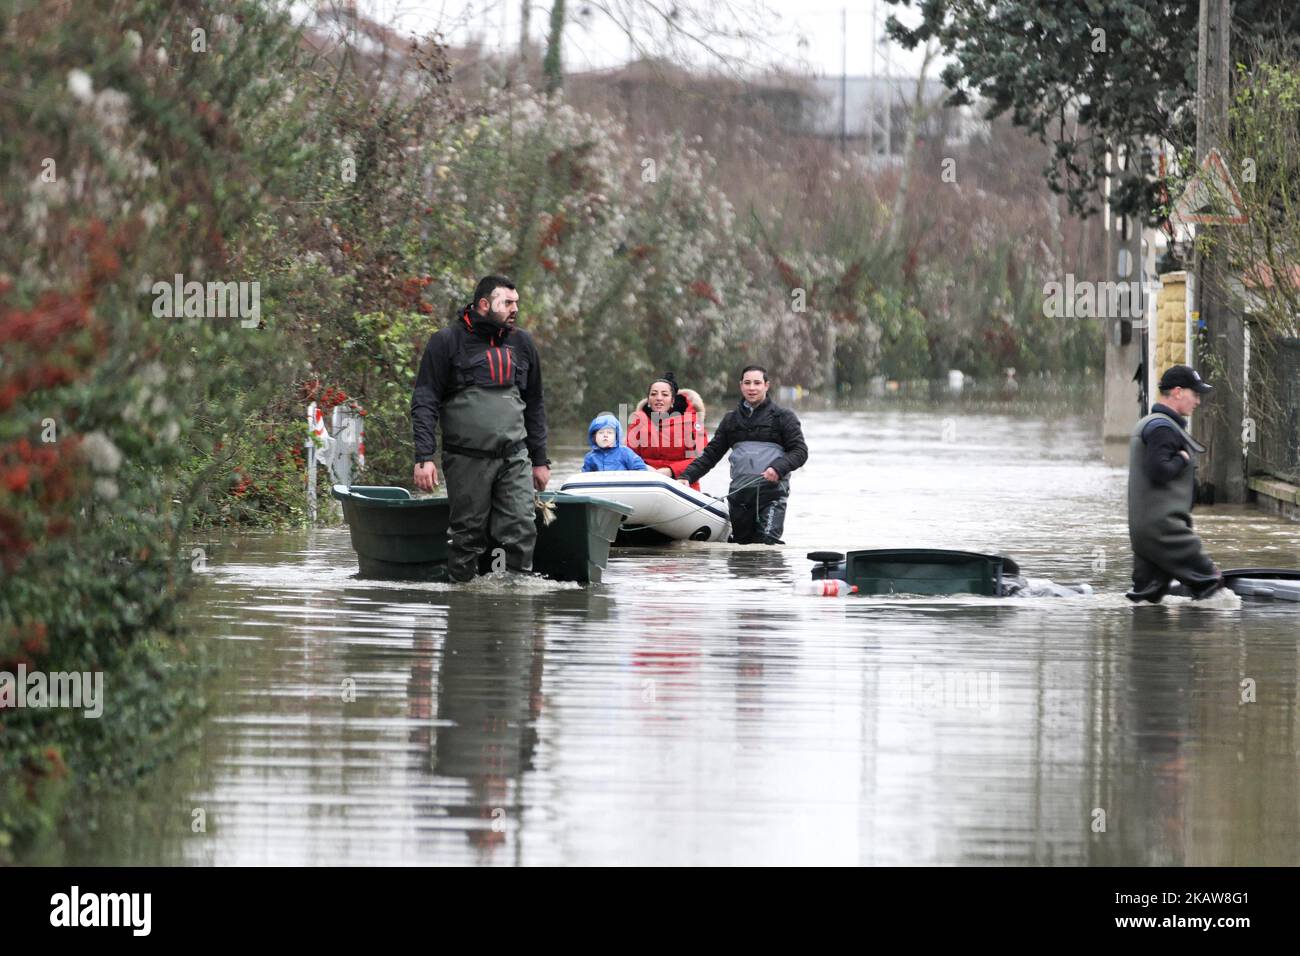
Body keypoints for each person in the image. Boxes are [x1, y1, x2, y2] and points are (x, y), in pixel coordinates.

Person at [411, 275, 550, 582]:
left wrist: (540, 461)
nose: (515, 309)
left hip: (514, 457)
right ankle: (462, 598)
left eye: (517, 303)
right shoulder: (446, 341)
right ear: (484, 304)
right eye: (508, 303)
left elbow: (535, 403)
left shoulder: (522, 343)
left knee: (522, 527)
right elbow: (424, 400)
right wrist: (424, 456)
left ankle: (516, 596)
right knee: (468, 534)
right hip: (466, 459)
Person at [678, 365, 808, 545]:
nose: (752, 388)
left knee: (766, 543)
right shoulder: (730, 420)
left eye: (757, 383)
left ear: (766, 386)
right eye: (747, 383)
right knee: (741, 547)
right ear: (741, 386)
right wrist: (687, 476)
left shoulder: (784, 417)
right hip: (740, 496)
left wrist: (777, 468)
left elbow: (800, 451)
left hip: (772, 494)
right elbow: (711, 455)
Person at [1126, 364, 1224, 603]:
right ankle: (1199, 639)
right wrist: (1182, 459)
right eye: (1195, 394)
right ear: (1178, 392)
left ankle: (1153, 641)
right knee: (1213, 588)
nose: (1198, 401)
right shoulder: (1162, 428)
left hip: (1145, 534)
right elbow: (1159, 470)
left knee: (1146, 601)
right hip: (1167, 533)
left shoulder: (1151, 423)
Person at [625, 371, 708, 490]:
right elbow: (628, 455)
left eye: (664, 394)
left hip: (682, 484)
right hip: (645, 481)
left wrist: (670, 471)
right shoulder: (638, 420)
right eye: (653, 394)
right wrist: (645, 468)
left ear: (673, 400)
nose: (658, 398)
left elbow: (701, 459)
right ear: (648, 400)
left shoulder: (693, 421)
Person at [582, 412, 649, 472]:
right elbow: (584, 477)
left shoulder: (625, 452)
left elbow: (641, 468)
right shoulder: (590, 457)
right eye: (601, 433)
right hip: (600, 485)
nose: (605, 435)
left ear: (616, 436)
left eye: (609, 433)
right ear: (594, 437)